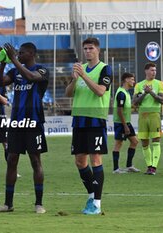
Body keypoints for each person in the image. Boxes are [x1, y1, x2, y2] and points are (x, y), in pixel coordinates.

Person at [0, 42, 49, 214]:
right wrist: (3, 62)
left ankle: (39, 204)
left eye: (22, 52)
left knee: (35, 161)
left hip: (34, 122)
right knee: (11, 160)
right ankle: (8, 204)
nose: (19, 54)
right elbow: (0, 82)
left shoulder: (42, 70)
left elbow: (31, 78)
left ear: (31, 53)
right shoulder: (15, 71)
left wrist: (13, 60)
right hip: (16, 122)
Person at [65, 37, 113, 215]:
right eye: (85, 48)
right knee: (79, 161)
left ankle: (97, 203)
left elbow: (101, 91)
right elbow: (69, 93)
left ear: (98, 50)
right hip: (79, 119)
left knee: (96, 160)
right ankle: (92, 195)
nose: (87, 51)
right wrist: (74, 79)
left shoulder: (104, 69)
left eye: (90, 48)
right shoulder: (80, 69)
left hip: (95, 119)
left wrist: (84, 76)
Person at [132, 62, 163, 175]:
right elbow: (134, 102)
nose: (154, 72)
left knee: (156, 140)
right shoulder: (139, 85)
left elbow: (162, 100)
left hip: (154, 115)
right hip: (142, 116)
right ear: (146, 71)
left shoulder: (160, 84)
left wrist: (151, 92)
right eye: (151, 70)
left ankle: (154, 167)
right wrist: (144, 93)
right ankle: (149, 166)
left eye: (155, 70)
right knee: (144, 142)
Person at [112, 73, 139, 174]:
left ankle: (129, 166)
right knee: (118, 144)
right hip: (121, 123)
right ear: (126, 80)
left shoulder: (126, 93)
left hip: (126, 122)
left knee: (135, 141)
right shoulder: (121, 93)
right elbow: (119, 111)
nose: (133, 81)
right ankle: (116, 169)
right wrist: (124, 126)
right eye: (132, 79)